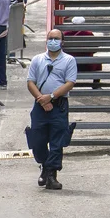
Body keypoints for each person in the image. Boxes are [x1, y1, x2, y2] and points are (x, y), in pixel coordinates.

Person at [27, 29, 78, 191]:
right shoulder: (37, 59)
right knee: (38, 139)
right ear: (46, 41)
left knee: (57, 141)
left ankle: (51, 174)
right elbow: (30, 82)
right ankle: (45, 166)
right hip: (40, 104)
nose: (53, 41)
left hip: (59, 105)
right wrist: (42, 100)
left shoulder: (69, 60)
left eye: (56, 38)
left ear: (62, 41)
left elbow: (70, 83)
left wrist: (52, 97)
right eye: (50, 38)